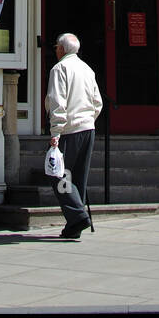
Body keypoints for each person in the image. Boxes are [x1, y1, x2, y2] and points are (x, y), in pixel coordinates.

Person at [45, 32, 103, 239]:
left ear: (61, 49)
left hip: (69, 130)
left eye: (56, 47)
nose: (55, 50)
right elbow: (98, 102)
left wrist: (56, 132)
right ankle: (73, 225)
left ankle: (78, 216)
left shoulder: (59, 69)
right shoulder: (87, 69)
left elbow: (57, 102)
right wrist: (90, 119)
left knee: (57, 173)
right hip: (88, 128)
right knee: (77, 177)